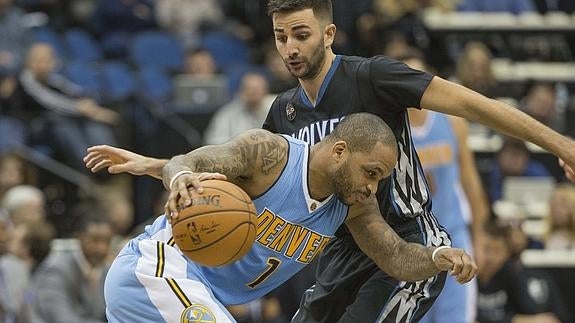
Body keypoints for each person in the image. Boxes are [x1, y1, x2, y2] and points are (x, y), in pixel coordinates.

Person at [261, 1, 575, 322]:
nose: (291, 48)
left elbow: (474, 105)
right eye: (281, 37)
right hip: (343, 250)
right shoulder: (284, 112)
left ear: (328, 34)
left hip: (408, 239)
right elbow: (261, 187)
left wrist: (561, 144)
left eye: (301, 35)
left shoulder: (372, 77)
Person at [84, 113, 477, 323]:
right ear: (340, 151)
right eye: (371, 172)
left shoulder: (352, 205)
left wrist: (436, 257)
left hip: (182, 295)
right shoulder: (270, 155)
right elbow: (189, 162)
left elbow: (395, 256)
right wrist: (178, 175)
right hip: (158, 269)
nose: (373, 187)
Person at [401, 50, 488, 323]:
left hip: (454, 236)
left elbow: (471, 183)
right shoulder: (388, 129)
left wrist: (480, 238)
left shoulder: (451, 121)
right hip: (411, 247)